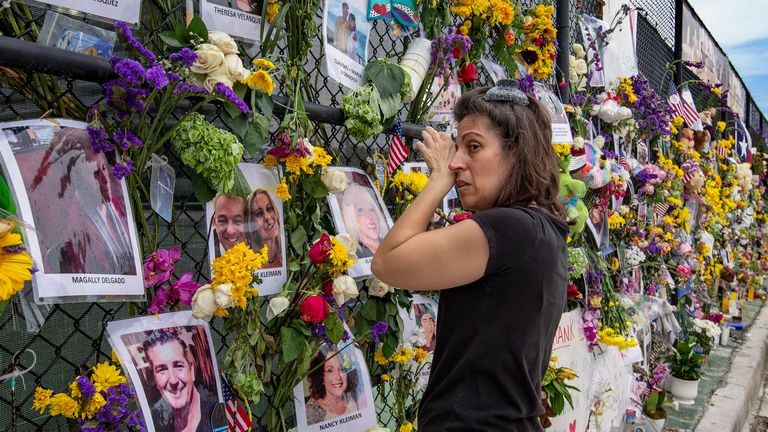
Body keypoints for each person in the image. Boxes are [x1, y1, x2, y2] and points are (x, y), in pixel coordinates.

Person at [371, 80, 568, 430]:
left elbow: (387, 262)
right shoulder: (542, 231)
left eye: (473, 147)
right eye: (456, 148)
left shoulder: (511, 229)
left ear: (517, 152)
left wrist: (437, 181)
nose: (456, 163)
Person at [23, 126, 135, 275]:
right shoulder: (73, 236)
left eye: (103, 168)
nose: (105, 180)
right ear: (77, 179)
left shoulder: (116, 208)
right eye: (95, 173)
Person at [142, 329, 218, 432]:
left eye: (178, 366)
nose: (173, 381)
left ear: (191, 369)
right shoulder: (154, 422)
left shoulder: (217, 410)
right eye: (162, 370)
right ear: (155, 379)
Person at [305, 346, 359, 425]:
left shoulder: (354, 395)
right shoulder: (311, 412)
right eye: (330, 370)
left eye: (342, 369)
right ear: (320, 375)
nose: (338, 376)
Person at [339, 183, 387, 259]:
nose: (370, 216)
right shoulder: (353, 255)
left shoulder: (389, 244)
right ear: (350, 216)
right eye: (361, 209)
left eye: (372, 209)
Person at [245, 189, 282, 269]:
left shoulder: (287, 252)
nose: (267, 217)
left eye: (269, 208)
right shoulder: (248, 262)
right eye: (259, 213)